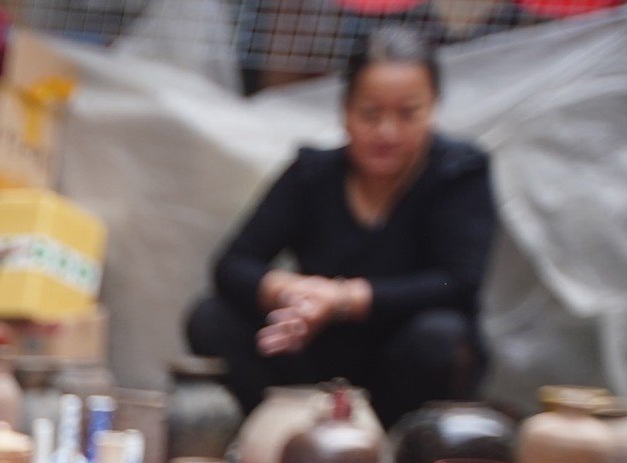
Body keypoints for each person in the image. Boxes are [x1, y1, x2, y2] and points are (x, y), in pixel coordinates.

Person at [184, 25, 495, 429]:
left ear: (433, 108)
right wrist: (293, 293)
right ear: (345, 110)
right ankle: (279, 434)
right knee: (212, 317)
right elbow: (233, 264)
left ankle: (402, 456)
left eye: (408, 113)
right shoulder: (313, 174)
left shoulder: (459, 173)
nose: (387, 132)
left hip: (405, 362)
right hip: (314, 360)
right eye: (371, 113)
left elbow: (458, 281)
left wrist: (343, 298)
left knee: (440, 336)